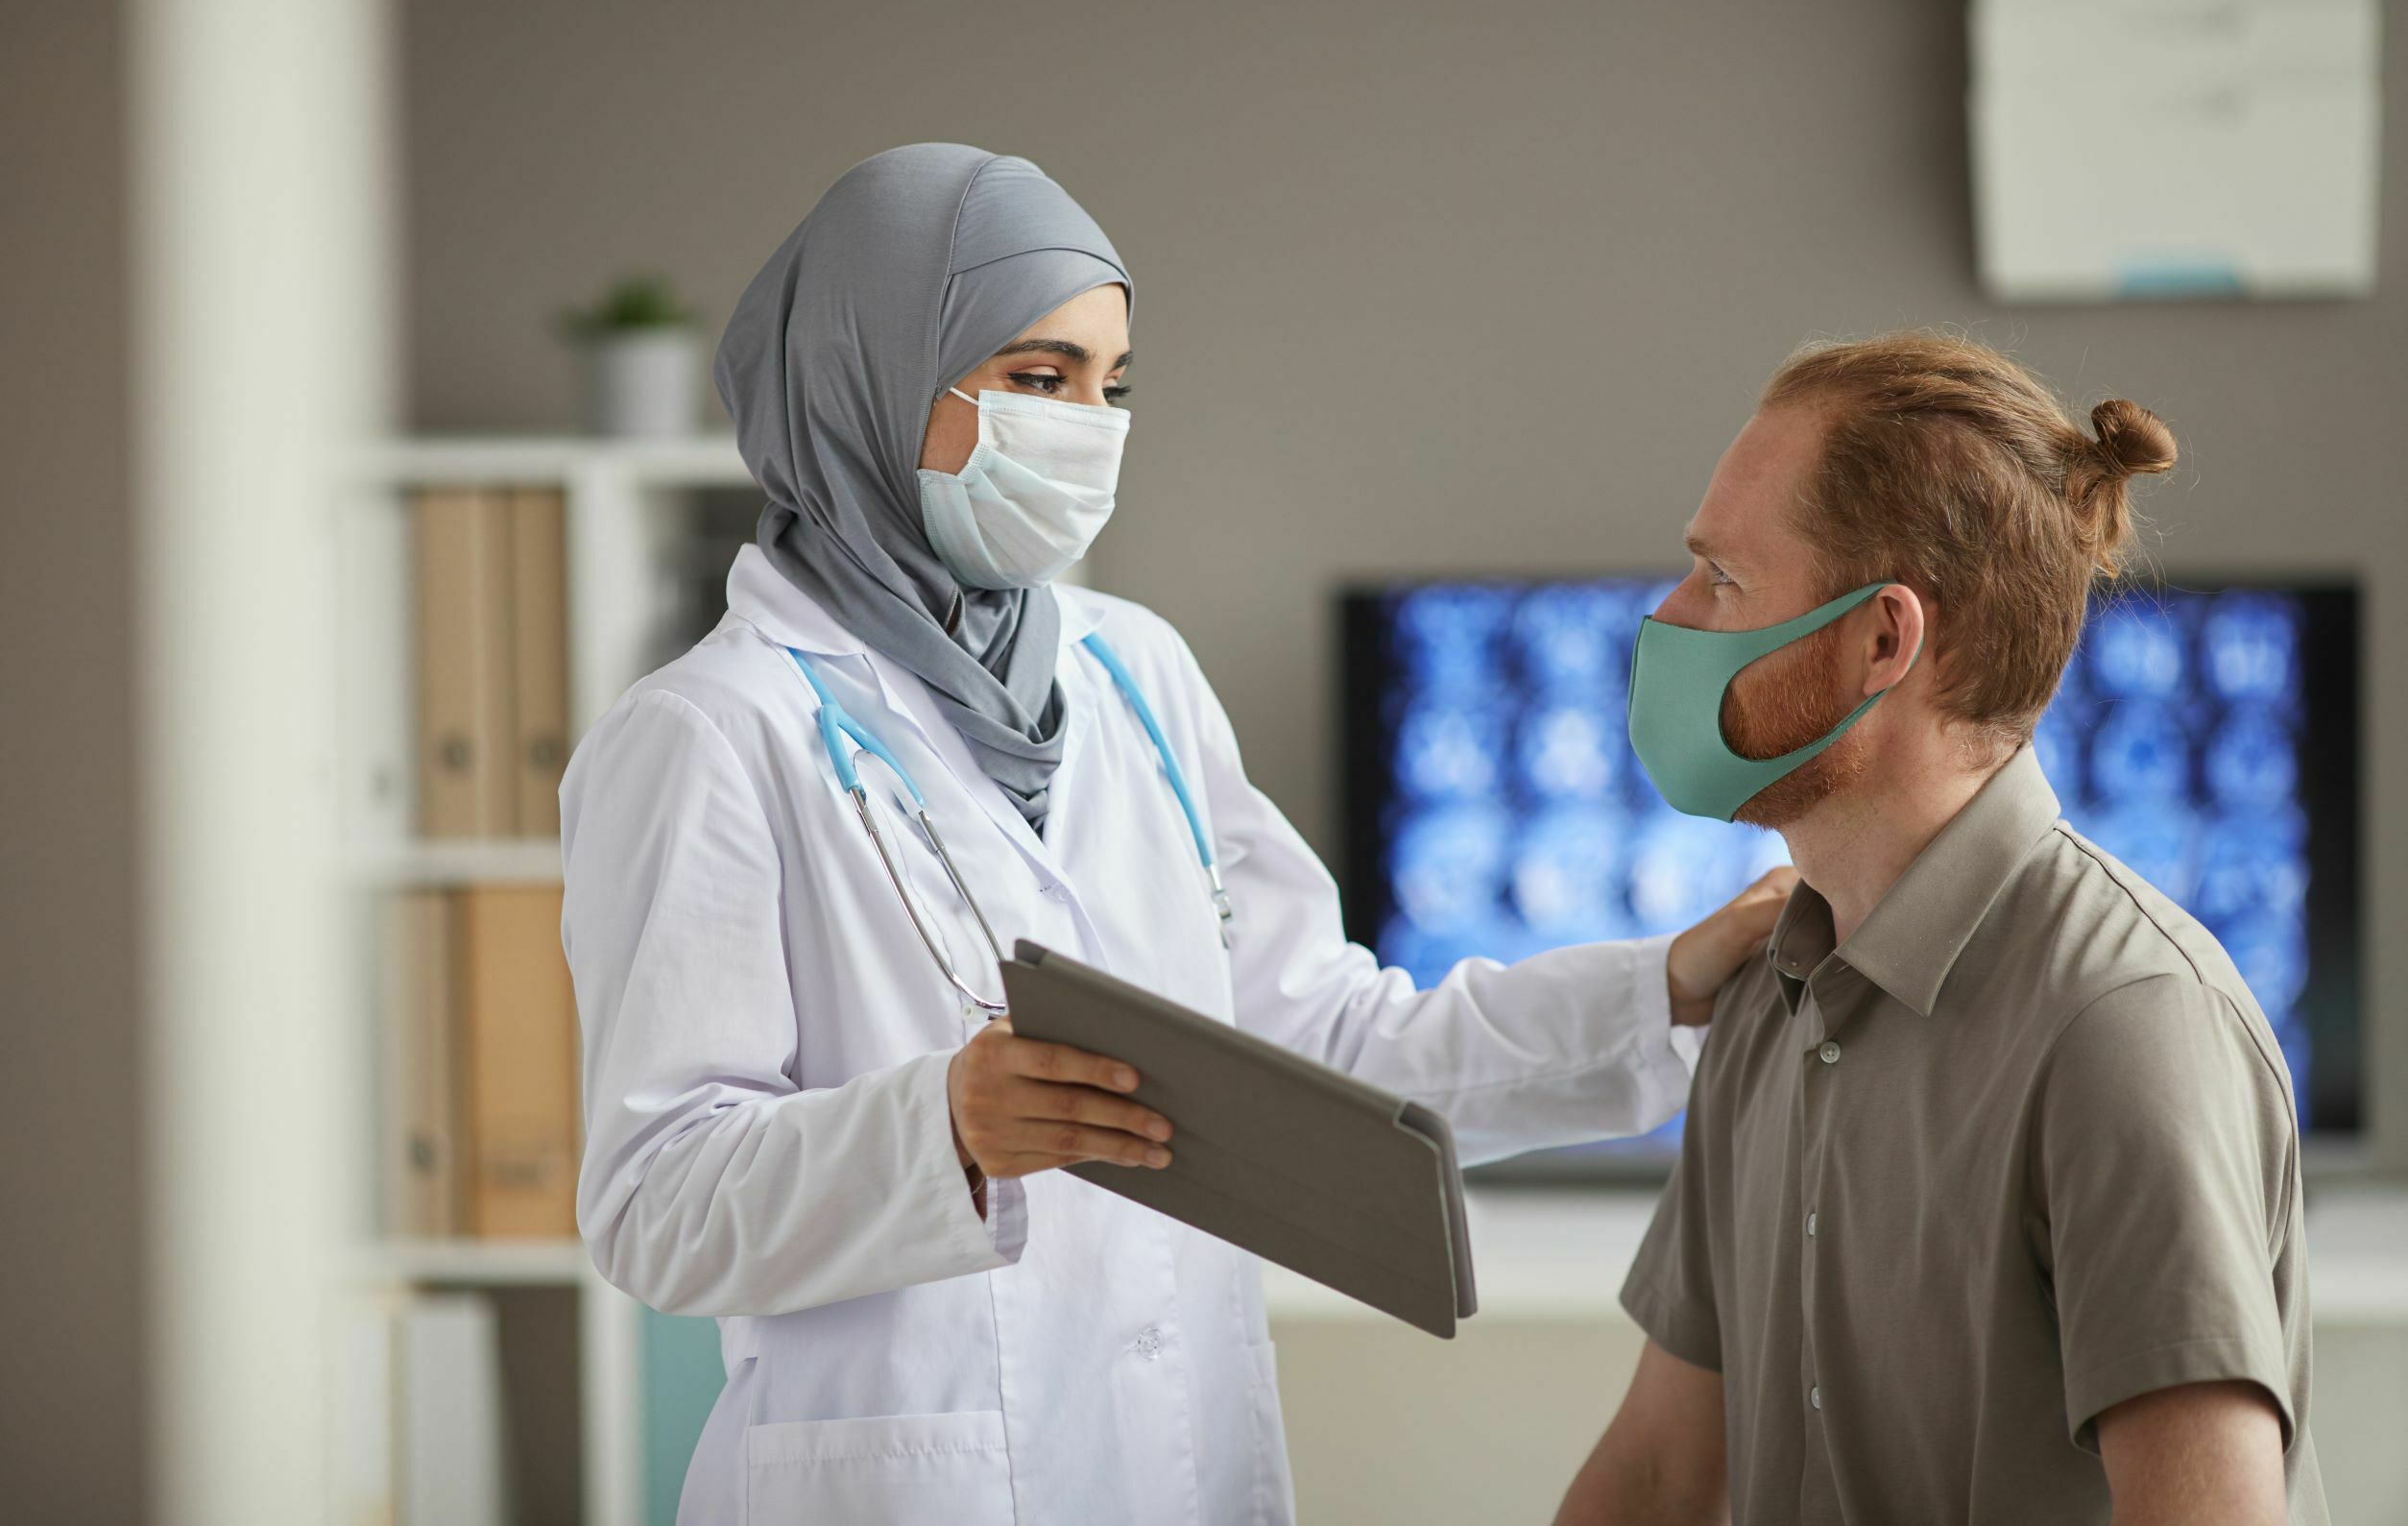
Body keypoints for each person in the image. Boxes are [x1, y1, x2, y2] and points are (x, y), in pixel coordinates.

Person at [559, 142, 1791, 1526]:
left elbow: (1321, 1053)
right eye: (1039, 379)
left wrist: (1662, 988)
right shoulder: (709, 734)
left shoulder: (1133, 670)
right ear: (872, 379)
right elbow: (652, 1204)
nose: (1089, 424)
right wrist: (940, 1129)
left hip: (1171, 1465)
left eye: (1111, 384)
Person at [1552, 333, 2325, 1526]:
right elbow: (1658, 1471)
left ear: (1881, 641)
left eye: (1720, 579)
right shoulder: (1771, 996)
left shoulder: (2123, 1031)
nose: (1666, 616)